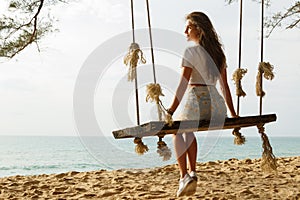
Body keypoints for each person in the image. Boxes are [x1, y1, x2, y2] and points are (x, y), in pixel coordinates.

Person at [166, 12, 238, 197]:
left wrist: (171, 110)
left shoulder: (191, 52)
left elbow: (183, 84)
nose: (185, 31)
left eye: (188, 27)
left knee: (177, 130)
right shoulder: (218, 53)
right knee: (188, 129)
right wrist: (233, 113)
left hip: (196, 101)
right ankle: (193, 172)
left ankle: (184, 176)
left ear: (199, 29)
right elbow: (224, 87)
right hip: (216, 107)